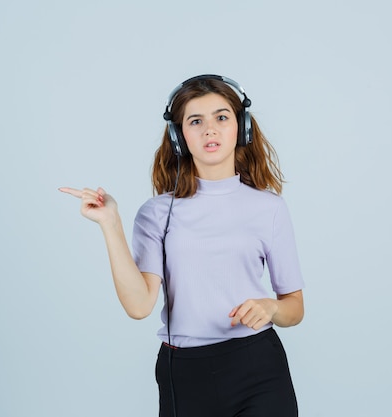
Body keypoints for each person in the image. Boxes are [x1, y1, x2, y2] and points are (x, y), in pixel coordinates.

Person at [59, 75, 305, 417]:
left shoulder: (270, 208)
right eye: (195, 121)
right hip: (184, 372)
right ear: (178, 136)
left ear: (242, 127)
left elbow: (294, 307)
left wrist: (271, 308)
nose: (210, 130)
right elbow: (139, 305)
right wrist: (110, 224)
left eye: (221, 117)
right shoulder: (157, 213)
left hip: (258, 366)